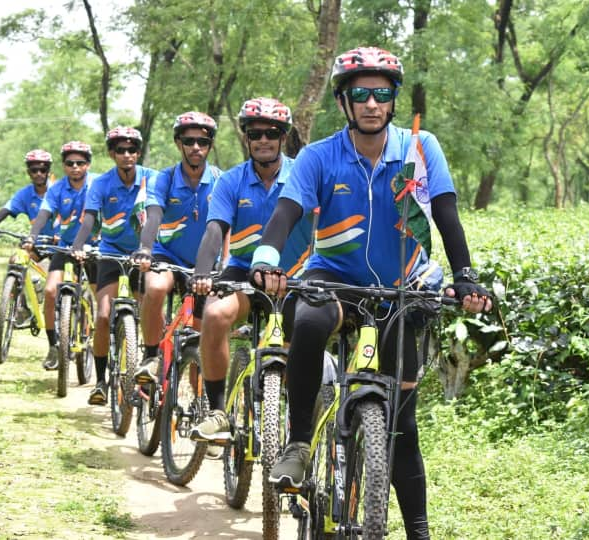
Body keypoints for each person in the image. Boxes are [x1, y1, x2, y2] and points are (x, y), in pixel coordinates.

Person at [249, 47, 492, 539]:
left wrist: (464, 275)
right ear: (344, 101)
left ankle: (419, 531)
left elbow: (447, 217)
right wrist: (265, 260)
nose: (371, 103)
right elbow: (283, 219)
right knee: (310, 320)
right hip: (334, 280)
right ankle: (297, 445)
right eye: (360, 94)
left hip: (403, 289)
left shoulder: (422, 151)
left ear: (393, 100)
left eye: (381, 93)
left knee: (401, 422)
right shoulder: (319, 156)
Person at [189, 97, 313, 442]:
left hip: (294, 276)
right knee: (214, 316)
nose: (263, 140)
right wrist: (202, 271)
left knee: (307, 337)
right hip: (243, 271)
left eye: (271, 133)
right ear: (246, 137)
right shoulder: (229, 181)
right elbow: (215, 230)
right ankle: (218, 411)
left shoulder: (305, 175)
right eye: (255, 133)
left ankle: (301, 426)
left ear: (283, 137)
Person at [131, 111, 224, 385]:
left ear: (210, 145)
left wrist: (227, 262)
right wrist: (146, 249)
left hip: (206, 264)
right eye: (189, 141)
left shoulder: (220, 180)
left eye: (203, 142)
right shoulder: (165, 178)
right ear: (178, 143)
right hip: (168, 254)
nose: (196, 147)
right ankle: (150, 356)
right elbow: (154, 215)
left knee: (201, 340)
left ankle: (200, 406)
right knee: (156, 287)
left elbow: (227, 226)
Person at [71, 127, 158, 406]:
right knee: (103, 316)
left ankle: (148, 364)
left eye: (132, 150)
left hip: (143, 256)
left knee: (149, 310)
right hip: (110, 253)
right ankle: (100, 381)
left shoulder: (152, 179)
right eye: (121, 150)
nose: (127, 155)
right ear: (112, 154)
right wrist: (78, 245)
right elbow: (89, 218)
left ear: (138, 153)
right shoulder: (101, 184)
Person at [22, 141, 99, 370]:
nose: (75, 167)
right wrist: (32, 237)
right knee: (50, 290)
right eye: (70, 163)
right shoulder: (56, 189)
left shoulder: (97, 184)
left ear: (88, 164)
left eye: (80, 162)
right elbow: (44, 214)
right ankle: (54, 345)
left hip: (95, 248)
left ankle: (110, 336)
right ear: (64, 166)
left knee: (102, 299)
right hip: (65, 247)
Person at [0, 149, 56, 239]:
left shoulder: (59, 191)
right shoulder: (25, 194)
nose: (38, 174)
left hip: (64, 244)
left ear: (48, 172)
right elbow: (7, 209)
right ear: (29, 173)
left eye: (42, 170)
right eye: (34, 170)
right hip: (36, 242)